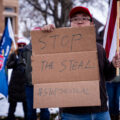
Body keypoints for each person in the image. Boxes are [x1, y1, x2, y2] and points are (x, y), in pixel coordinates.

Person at [41, 6, 120, 120]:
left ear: (91, 24)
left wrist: (113, 65)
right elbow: (44, 63)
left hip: (101, 112)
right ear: (70, 24)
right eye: (75, 19)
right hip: (72, 114)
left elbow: (108, 76)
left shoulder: (99, 49)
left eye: (84, 18)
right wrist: (47, 35)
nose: (80, 21)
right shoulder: (59, 47)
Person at [23, 41, 50, 120]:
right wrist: (25, 72)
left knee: (44, 109)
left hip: (43, 85)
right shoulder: (25, 49)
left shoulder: (46, 48)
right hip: (29, 85)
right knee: (31, 110)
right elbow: (20, 63)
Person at [6, 39, 27, 120]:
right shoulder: (13, 55)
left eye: (23, 45)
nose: (21, 47)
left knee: (27, 109)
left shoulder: (28, 54)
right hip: (14, 85)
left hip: (24, 85)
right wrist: (15, 62)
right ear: (17, 46)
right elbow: (8, 65)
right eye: (20, 45)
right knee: (12, 108)